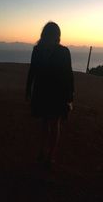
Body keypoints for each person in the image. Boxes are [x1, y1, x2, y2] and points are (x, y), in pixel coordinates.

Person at [26, 21, 74, 168]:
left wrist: (69, 96)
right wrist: (28, 89)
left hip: (54, 93)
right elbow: (33, 70)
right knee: (48, 123)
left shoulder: (59, 51)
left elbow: (68, 75)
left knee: (51, 123)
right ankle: (45, 152)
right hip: (46, 92)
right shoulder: (39, 50)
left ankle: (49, 154)